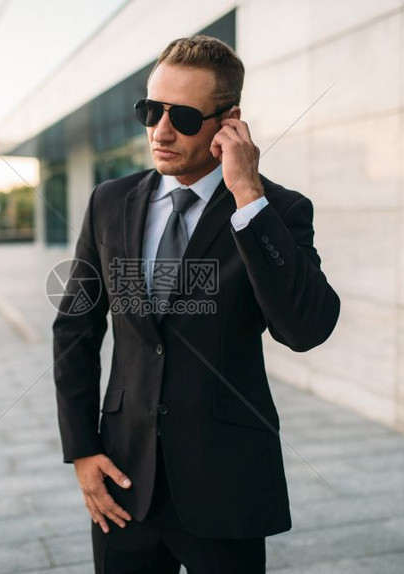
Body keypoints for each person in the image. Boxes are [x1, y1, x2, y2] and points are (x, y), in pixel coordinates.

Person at [53, 36, 340, 573]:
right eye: (150, 111)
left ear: (229, 122)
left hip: (225, 482)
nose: (160, 131)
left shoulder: (277, 210)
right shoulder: (108, 202)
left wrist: (248, 197)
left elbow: (305, 327)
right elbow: (75, 329)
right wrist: (82, 450)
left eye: (182, 116)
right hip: (123, 480)